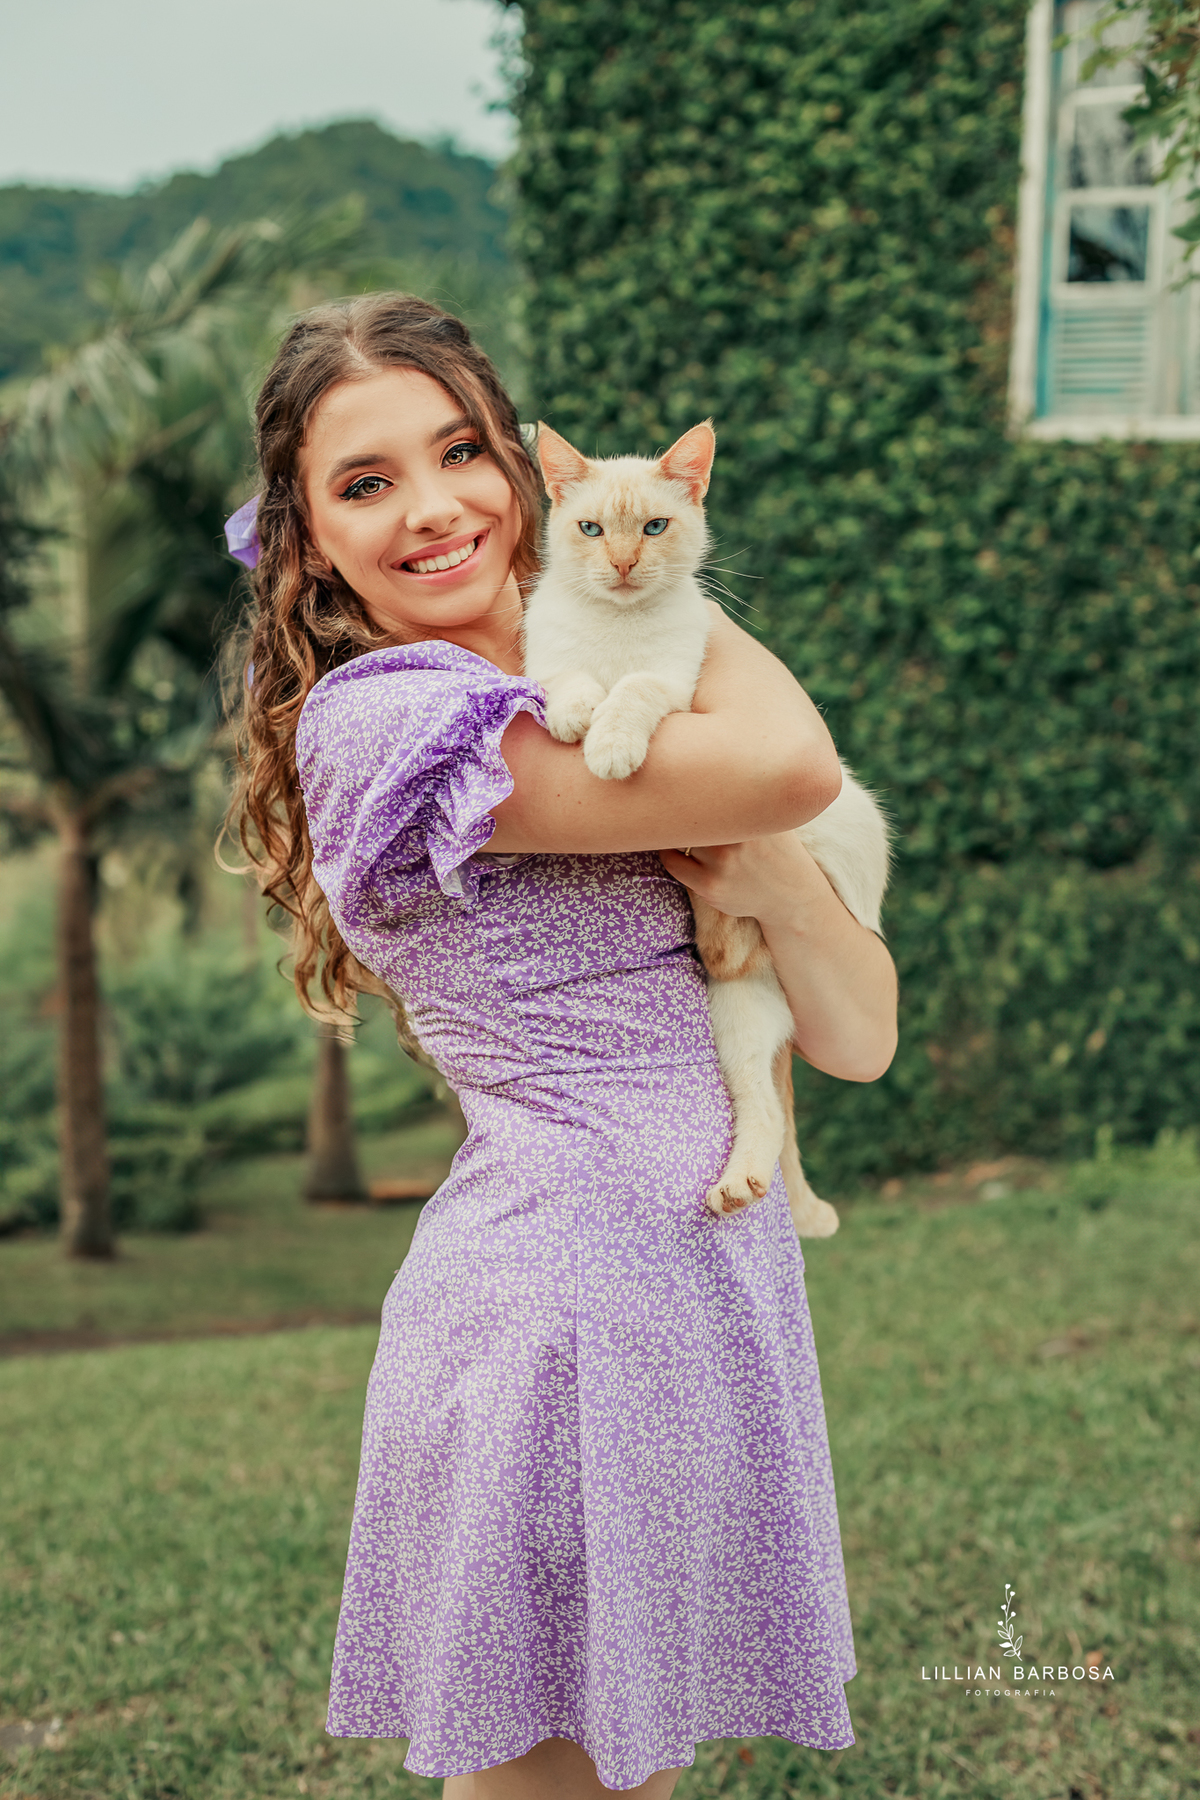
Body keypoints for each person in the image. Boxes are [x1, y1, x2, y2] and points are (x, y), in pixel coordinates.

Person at [229, 293, 897, 1800]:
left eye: (461, 450)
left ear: (517, 470)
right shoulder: (394, 718)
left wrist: (775, 870)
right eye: (365, 482)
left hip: (698, 1298)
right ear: (309, 542)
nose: (434, 507)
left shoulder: (571, 675)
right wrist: (663, 605)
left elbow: (855, 1036)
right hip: (559, 1316)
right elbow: (792, 762)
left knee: (631, 1781)